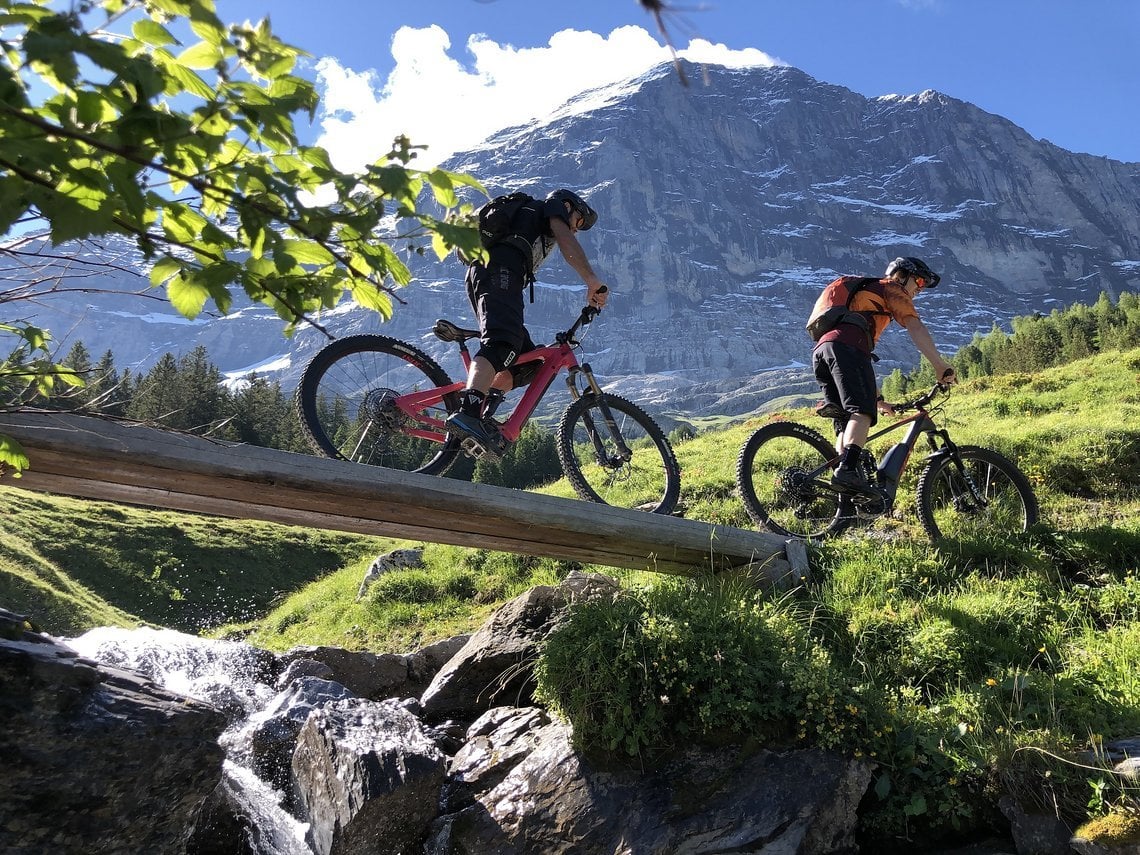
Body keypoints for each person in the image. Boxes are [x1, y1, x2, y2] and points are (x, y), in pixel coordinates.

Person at [446, 188, 609, 454]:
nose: (576, 230)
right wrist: (591, 280)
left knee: (529, 363)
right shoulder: (552, 206)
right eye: (579, 222)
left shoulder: (531, 221)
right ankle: (469, 411)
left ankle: (483, 418)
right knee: (502, 344)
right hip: (499, 269)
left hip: (491, 273)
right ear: (568, 207)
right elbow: (566, 239)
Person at [811, 256, 957, 494]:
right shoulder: (892, 288)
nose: (919, 289)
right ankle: (847, 470)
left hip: (822, 350)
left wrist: (878, 399)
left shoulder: (863, 304)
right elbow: (915, 325)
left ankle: (845, 484)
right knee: (862, 412)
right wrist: (939, 365)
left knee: (846, 420)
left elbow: (857, 367)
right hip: (848, 346)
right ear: (902, 275)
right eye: (919, 281)